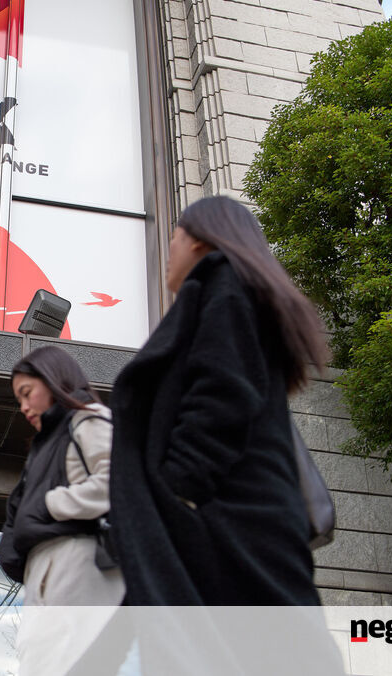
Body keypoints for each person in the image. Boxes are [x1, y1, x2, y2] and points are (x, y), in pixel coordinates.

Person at [107, 196, 341, 673]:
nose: (168, 249)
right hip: (236, 522)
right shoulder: (236, 292)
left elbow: (222, 392)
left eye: (173, 235)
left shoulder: (225, 284)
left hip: (224, 522)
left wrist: (177, 492)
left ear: (198, 237)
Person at [0, 346, 126, 675]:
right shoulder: (45, 443)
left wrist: (51, 503)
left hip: (78, 562)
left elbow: (118, 481)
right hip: (44, 572)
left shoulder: (88, 418)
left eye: (27, 393)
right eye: (19, 399)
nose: (24, 407)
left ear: (53, 381)